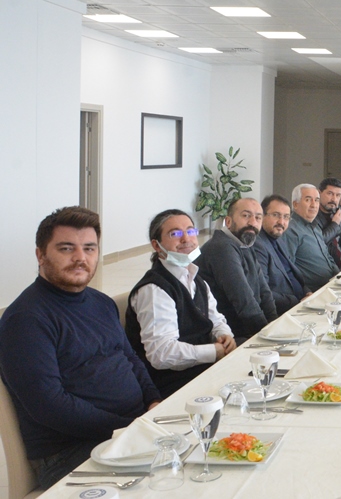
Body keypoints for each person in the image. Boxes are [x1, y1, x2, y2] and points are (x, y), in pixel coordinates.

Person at [0, 207, 161, 489]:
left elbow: (130, 359)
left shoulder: (101, 302)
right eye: (66, 248)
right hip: (70, 452)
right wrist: (128, 426)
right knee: (172, 480)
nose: (80, 258)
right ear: (40, 255)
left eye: (89, 248)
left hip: (128, 431)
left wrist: (154, 402)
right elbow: (50, 405)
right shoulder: (25, 320)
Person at [126, 210, 235, 398]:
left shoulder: (196, 279)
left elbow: (216, 319)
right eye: (175, 234)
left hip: (203, 369)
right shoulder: (154, 289)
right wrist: (213, 351)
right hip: (172, 382)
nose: (186, 239)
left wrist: (224, 335)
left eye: (191, 231)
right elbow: (161, 354)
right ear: (156, 245)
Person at [197, 198, 277, 343]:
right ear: (228, 221)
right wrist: (269, 337)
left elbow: (264, 291)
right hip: (228, 335)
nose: (252, 222)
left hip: (246, 329)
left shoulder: (243, 243)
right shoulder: (221, 247)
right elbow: (244, 301)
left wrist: (275, 324)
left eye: (258, 218)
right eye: (246, 215)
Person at [253, 195, 310, 315]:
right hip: (284, 311)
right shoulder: (257, 244)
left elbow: (292, 274)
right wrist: (297, 302)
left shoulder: (279, 239)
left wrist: (307, 292)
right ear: (262, 215)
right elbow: (262, 291)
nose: (281, 222)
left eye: (286, 217)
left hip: (303, 302)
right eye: (276, 215)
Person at [283, 183, 339, 290]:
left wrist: (339, 276)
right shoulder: (290, 230)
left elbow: (327, 256)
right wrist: (305, 291)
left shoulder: (315, 226)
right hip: (313, 292)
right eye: (308, 200)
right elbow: (287, 268)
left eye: (317, 200)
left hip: (331, 285)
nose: (314, 205)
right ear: (295, 204)